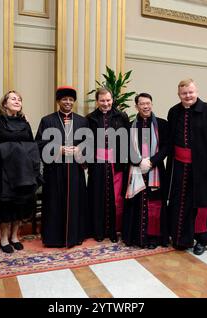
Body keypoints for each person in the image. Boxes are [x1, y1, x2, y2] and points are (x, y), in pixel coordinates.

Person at [166, 79, 207, 255]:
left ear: (197, 91)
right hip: (179, 166)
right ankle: (182, 238)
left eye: (191, 92)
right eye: (184, 93)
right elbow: (170, 139)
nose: (188, 96)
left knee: (201, 204)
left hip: (203, 168)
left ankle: (202, 239)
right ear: (179, 95)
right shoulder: (174, 111)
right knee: (180, 202)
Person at [0, 91, 40, 253]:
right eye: (13, 99)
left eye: (19, 99)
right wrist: (10, 151)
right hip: (3, 171)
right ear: (4, 103)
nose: (17, 101)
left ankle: (15, 236)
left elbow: (31, 144)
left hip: (23, 171)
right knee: (5, 205)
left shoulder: (24, 123)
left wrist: (21, 153)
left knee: (20, 203)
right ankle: (3, 238)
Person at [35, 86, 88, 248]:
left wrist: (80, 149)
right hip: (55, 170)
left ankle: (76, 236)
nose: (68, 102)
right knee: (54, 203)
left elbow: (89, 143)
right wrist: (59, 149)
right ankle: (53, 238)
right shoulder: (47, 120)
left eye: (71, 100)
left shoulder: (82, 121)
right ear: (58, 101)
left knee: (75, 202)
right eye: (64, 99)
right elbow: (38, 143)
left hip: (75, 169)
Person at [122, 93, 170, 249]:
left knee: (154, 206)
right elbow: (125, 148)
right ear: (136, 106)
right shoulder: (130, 126)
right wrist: (138, 161)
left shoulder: (162, 124)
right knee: (135, 204)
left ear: (152, 104)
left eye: (148, 103)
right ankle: (135, 237)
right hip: (135, 170)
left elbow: (166, 147)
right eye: (142, 103)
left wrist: (151, 161)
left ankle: (153, 237)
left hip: (155, 170)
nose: (146, 106)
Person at [87, 88, 130, 243]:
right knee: (98, 197)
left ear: (113, 99)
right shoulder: (90, 118)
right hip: (97, 164)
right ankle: (98, 231)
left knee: (114, 197)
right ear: (97, 101)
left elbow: (126, 140)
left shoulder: (122, 116)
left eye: (108, 100)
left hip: (116, 163)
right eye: (102, 101)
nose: (106, 104)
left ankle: (112, 231)